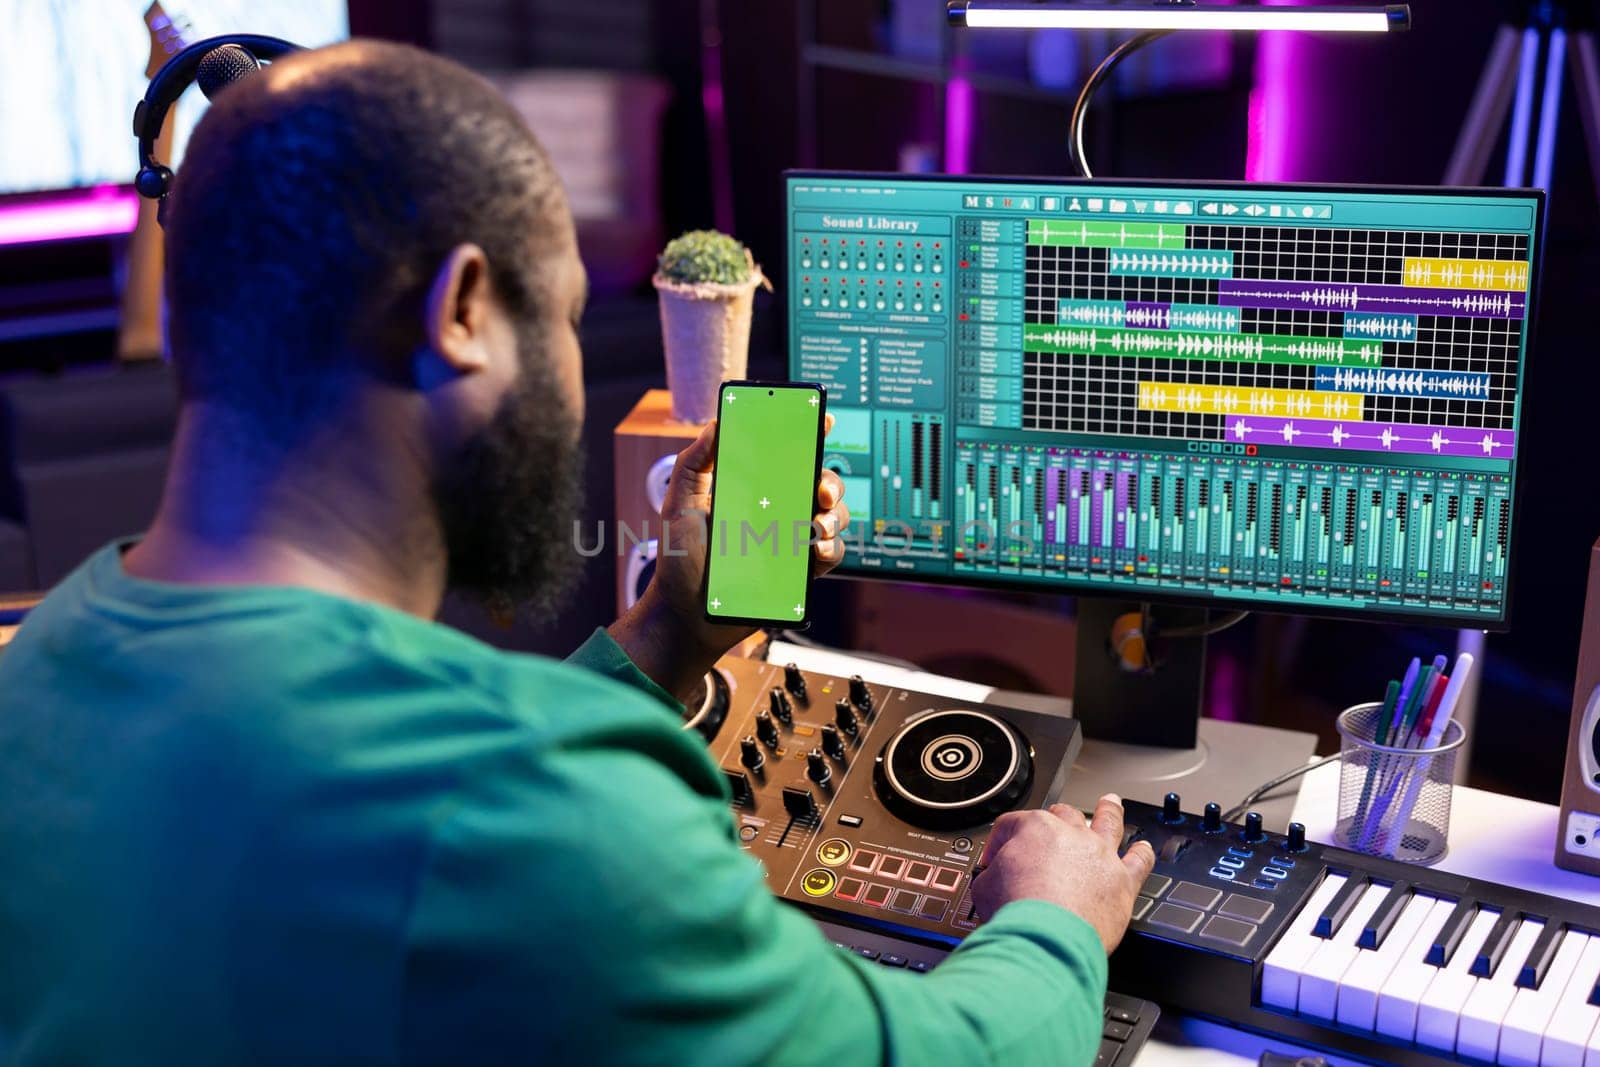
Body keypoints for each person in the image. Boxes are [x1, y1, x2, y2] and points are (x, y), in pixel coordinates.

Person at [0, 41, 1155, 1065]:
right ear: (461, 309)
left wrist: (666, 634)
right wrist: (1054, 924)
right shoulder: (546, 805)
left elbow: (373, 778)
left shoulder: (40, 657)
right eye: (558, 307)